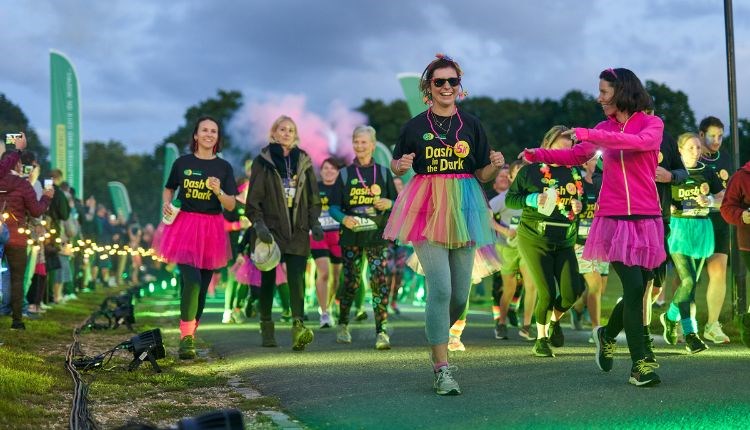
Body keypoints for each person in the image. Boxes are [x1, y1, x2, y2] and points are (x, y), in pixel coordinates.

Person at [523, 67, 665, 387]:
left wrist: (591, 134)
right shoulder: (602, 127)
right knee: (631, 288)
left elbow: (636, 143)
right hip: (613, 219)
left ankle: (607, 334)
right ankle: (640, 363)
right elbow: (573, 156)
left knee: (640, 289)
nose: (599, 98)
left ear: (622, 91)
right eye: (599, 91)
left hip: (646, 218)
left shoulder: (652, 124)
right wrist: (537, 155)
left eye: (604, 92)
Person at [384, 54, 505, 395]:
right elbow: (396, 164)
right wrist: (400, 163)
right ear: (429, 87)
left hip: (465, 205)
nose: (447, 87)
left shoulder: (472, 124)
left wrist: (494, 166)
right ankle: (441, 366)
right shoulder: (414, 126)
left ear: (459, 86)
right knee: (439, 289)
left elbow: (481, 172)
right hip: (426, 204)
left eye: (453, 81)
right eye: (440, 82)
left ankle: (436, 334)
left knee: (460, 297)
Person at [152, 116, 238, 359]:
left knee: (201, 287)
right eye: (205, 130)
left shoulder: (224, 167)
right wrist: (167, 204)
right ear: (196, 136)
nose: (209, 134)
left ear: (217, 138)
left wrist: (218, 190)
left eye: (214, 131)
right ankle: (186, 338)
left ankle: (191, 330)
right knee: (191, 281)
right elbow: (169, 187)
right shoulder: (182, 163)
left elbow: (231, 204)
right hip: (185, 226)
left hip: (211, 229)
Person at [246, 115, 323, 350]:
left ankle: (298, 326)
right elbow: (253, 198)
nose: (287, 133)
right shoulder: (263, 160)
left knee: (297, 279)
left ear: (295, 134)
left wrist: (314, 222)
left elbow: (313, 196)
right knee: (268, 279)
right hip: (271, 229)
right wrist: (258, 225)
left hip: (298, 229)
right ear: (274, 133)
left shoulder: (304, 161)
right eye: (282, 129)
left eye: (291, 129)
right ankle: (266, 325)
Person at [508, 125, 585, 357]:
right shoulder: (530, 171)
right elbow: (512, 200)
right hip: (534, 238)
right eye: (562, 143)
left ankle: (554, 321)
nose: (567, 148)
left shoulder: (574, 173)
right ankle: (541, 339)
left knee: (573, 291)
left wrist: (578, 207)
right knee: (547, 293)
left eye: (570, 144)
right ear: (548, 144)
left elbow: (574, 207)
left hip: (564, 238)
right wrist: (532, 199)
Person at [329, 126, 398, 349]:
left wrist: (389, 203)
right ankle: (342, 324)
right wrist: (342, 218)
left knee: (379, 281)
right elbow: (333, 207)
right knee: (351, 281)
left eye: (364, 142)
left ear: (373, 144)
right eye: (356, 142)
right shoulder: (345, 174)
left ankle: (382, 331)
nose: (360, 146)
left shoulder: (384, 173)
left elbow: (398, 205)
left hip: (377, 236)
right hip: (351, 236)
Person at [659, 133, 724, 354]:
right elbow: (659, 195)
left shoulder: (707, 172)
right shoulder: (674, 172)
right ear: (679, 150)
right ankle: (690, 334)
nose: (695, 151)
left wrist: (711, 201)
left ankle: (670, 317)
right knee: (686, 281)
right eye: (690, 148)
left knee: (691, 285)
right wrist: (668, 207)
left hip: (701, 228)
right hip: (678, 229)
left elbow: (723, 197)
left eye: (698, 148)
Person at [0, 150, 53, 330]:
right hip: (16, 238)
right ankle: (17, 320)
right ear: (18, 164)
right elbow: (36, 210)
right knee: (16, 278)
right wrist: (46, 197)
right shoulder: (23, 185)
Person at [697, 116, 731, 343]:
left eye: (720, 135)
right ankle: (679, 321)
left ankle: (712, 324)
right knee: (688, 276)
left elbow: (728, 195)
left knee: (718, 272)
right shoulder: (690, 157)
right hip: (694, 222)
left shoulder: (726, 159)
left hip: (719, 221)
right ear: (701, 135)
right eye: (712, 135)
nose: (717, 140)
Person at [309, 157, 343, 328]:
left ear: (338, 172)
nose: (328, 171)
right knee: (324, 273)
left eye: (333, 168)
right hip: (318, 235)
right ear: (320, 171)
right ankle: (324, 313)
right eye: (325, 168)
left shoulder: (343, 188)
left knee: (336, 278)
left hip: (338, 235)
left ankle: (329, 304)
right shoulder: (314, 187)